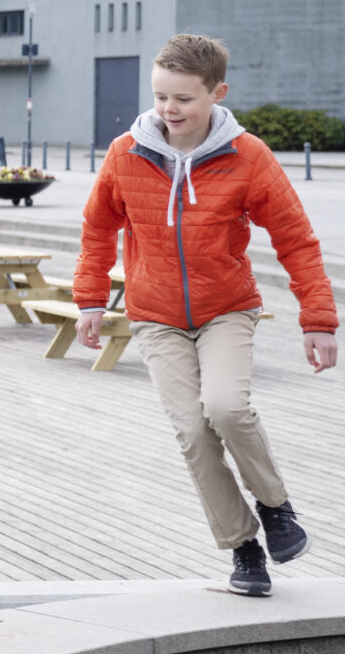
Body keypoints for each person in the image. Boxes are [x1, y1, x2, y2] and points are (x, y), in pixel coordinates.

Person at [75, 34, 337, 597]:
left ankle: (276, 509)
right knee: (193, 431)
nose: (169, 110)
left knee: (226, 408)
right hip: (155, 314)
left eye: (184, 100)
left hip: (227, 310)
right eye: (160, 97)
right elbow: (98, 228)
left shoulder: (248, 157)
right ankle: (243, 548)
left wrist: (318, 318)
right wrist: (91, 299)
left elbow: (295, 238)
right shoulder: (126, 152)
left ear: (218, 93)